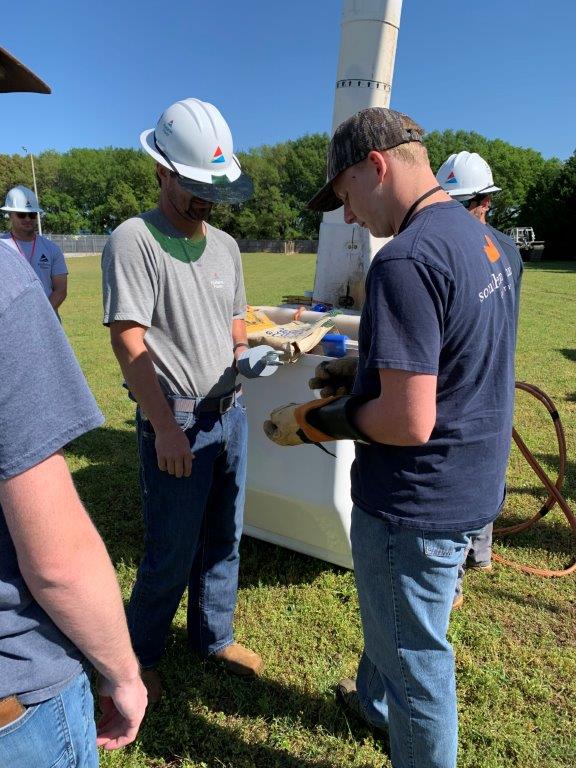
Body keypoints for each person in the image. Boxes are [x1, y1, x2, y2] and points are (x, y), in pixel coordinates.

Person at [264, 107, 517, 768]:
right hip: (470, 484)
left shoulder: (405, 260)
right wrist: (366, 366)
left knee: (416, 666)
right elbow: (460, 352)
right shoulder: (490, 242)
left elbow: (408, 421)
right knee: (405, 629)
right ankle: (374, 706)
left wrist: (313, 422)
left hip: (415, 503)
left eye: (346, 197)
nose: (349, 217)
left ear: (375, 167)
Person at [0, 46, 147, 768]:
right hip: (15, 696)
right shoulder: (2, 283)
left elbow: (55, 293)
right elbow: (56, 559)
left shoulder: (43, 261)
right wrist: (123, 672)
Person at [102, 97, 267, 706]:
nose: (207, 200)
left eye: (213, 188)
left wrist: (249, 357)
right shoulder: (136, 239)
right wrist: (164, 428)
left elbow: (234, 323)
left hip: (232, 413)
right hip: (176, 421)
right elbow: (128, 338)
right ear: (162, 172)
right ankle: (137, 658)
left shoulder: (225, 246)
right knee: (170, 547)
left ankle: (212, 636)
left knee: (225, 533)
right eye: (195, 187)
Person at [437, 150, 524, 608]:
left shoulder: (497, 250)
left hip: (480, 378)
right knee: (485, 461)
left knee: (472, 466)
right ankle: (479, 555)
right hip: (491, 375)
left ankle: (462, 570)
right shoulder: (503, 250)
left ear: (484, 204)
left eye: (462, 206)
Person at [1, 185, 68, 314]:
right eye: (21, 214)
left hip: (45, 325)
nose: (27, 219)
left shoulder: (52, 249)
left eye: (32, 215)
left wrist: (40, 314)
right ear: (10, 215)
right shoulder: (2, 247)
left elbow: (60, 290)